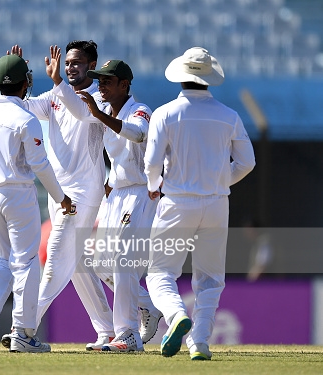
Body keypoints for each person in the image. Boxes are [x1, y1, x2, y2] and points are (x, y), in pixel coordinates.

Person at [0, 40, 115, 351]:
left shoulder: (101, 101)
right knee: (76, 265)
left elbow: (79, 113)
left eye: (76, 63)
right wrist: (14, 77)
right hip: (59, 193)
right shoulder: (55, 96)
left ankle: (23, 327)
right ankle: (113, 327)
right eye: (67, 63)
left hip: (83, 193)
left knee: (54, 261)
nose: (70, 67)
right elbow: (22, 107)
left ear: (92, 66)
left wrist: (58, 82)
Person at [45, 49, 163, 352]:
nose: (102, 87)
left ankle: (127, 335)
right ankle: (147, 306)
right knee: (97, 264)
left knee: (124, 262)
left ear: (124, 85)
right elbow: (112, 160)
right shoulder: (105, 111)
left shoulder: (140, 110)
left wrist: (97, 116)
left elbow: (138, 135)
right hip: (116, 194)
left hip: (139, 194)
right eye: (100, 82)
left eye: (108, 82)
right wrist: (110, 183)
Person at [144, 47, 255, 360]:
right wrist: (219, 182)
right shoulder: (228, 116)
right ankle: (200, 343)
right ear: (208, 78)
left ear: (180, 76)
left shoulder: (165, 114)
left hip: (177, 201)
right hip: (217, 204)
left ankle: (176, 315)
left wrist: (155, 186)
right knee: (209, 279)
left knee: (160, 274)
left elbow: (152, 163)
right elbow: (247, 162)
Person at [0, 54, 74, 353]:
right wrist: (61, 198)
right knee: (26, 261)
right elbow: (40, 165)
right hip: (17, 194)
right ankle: (23, 333)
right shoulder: (25, 119)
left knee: (6, 258)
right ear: (25, 83)